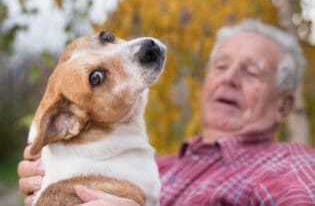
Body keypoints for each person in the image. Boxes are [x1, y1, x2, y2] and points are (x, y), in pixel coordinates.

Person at [18, 19, 315, 206]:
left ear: (284, 106)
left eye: (252, 72)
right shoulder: (158, 163)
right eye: (221, 66)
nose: (229, 78)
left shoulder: (292, 166)